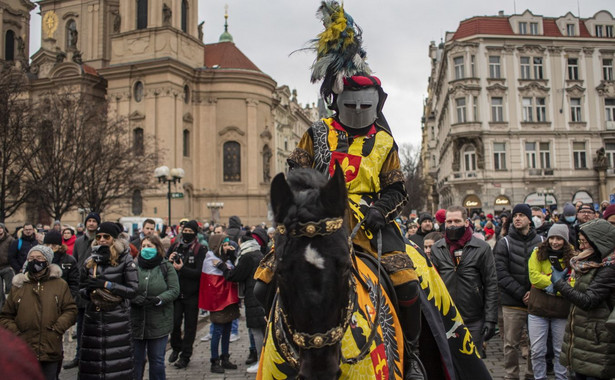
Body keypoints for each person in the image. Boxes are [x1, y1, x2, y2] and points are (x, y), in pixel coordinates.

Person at [429, 206, 499, 357]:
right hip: (446, 318)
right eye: (449, 221)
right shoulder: (437, 248)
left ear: (466, 222)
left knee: (473, 364)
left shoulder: (482, 248)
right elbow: (432, 284)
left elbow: (491, 284)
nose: (452, 225)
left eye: (457, 221)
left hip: (473, 318)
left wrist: (491, 319)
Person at [0, 245, 77, 380]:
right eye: (31, 258)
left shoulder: (59, 284)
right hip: (24, 349)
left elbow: (70, 310)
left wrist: (57, 329)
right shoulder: (18, 286)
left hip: (50, 348)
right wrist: (17, 334)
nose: (34, 261)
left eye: (39, 258)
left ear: (47, 261)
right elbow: (6, 316)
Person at [553, 218, 615, 380]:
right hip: (583, 336)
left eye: (584, 242)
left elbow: (588, 301)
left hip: (597, 341)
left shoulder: (608, 268)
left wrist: (559, 284)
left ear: (599, 243)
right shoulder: (589, 263)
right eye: (579, 241)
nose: (580, 247)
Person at [78, 222, 138, 379]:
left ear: (114, 239)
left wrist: (107, 285)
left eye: (106, 236)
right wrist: (89, 291)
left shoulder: (125, 260)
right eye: (98, 237)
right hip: (94, 319)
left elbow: (132, 291)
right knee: (93, 366)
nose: (102, 240)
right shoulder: (90, 261)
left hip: (117, 319)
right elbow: (81, 289)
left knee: (116, 366)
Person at [494, 203, 544, 380]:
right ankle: (511, 375)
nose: (517, 218)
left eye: (522, 215)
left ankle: (531, 374)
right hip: (512, 302)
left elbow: (545, 271)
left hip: (536, 301)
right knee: (510, 344)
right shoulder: (504, 243)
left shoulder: (540, 242)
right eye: (515, 215)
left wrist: (533, 292)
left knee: (535, 343)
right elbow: (501, 273)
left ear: (530, 219)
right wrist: (522, 293)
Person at [214, 233, 266, 374]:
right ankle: (263, 360)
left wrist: (221, 266)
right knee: (262, 330)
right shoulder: (257, 253)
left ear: (241, 242)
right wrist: (232, 256)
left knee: (257, 331)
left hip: (252, 297)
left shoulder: (247, 257)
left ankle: (261, 362)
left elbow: (235, 275)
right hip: (260, 296)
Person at [527, 224, 574, 380]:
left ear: (565, 240)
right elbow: (534, 277)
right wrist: (559, 285)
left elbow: (573, 284)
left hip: (561, 310)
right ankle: (539, 377)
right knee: (537, 350)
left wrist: (548, 284)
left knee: (560, 350)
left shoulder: (573, 257)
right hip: (538, 308)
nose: (555, 242)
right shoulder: (537, 253)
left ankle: (562, 378)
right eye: (552, 238)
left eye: (559, 239)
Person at [131, 235, 180, 380]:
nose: (146, 249)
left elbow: (174, 290)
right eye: (144, 246)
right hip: (136, 320)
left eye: (150, 246)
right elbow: (127, 288)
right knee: (136, 360)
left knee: (157, 360)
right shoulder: (133, 266)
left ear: (157, 248)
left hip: (159, 320)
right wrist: (134, 298)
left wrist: (159, 299)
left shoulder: (166, 267)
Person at [167, 219, 206, 369]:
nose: (187, 233)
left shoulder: (200, 249)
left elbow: (199, 273)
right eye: (185, 231)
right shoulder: (175, 246)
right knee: (174, 324)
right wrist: (168, 261)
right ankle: (176, 347)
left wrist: (182, 269)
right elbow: (165, 266)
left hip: (192, 295)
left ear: (195, 234)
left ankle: (185, 356)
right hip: (176, 294)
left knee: (190, 327)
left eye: (190, 232)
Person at [63, 212, 100, 370]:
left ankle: (95, 357)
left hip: (96, 287)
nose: (91, 224)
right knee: (80, 326)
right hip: (81, 288)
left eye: (94, 221)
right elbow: (77, 263)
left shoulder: (100, 241)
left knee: (96, 326)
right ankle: (79, 356)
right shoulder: (79, 242)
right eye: (89, 221)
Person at [200, 234, 240, 373]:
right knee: (217, 331)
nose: (227, 247)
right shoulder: (211, 259)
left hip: (229, 301)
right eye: (224, 245)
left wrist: (231, 257)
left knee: (228, 329)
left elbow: (234, 274)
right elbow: (214, 283)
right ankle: (214, 360)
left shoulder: (225, 260)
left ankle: (225, 357)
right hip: (218, 302)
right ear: (217, 246)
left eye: (227, 244)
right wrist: (225, 268)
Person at [0, 223, 14, 310]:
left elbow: (13, 254)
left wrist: (12, 266)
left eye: (1, 228)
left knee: (10, 289)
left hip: (7, 267)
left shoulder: (10, 239)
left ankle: (10, 308)